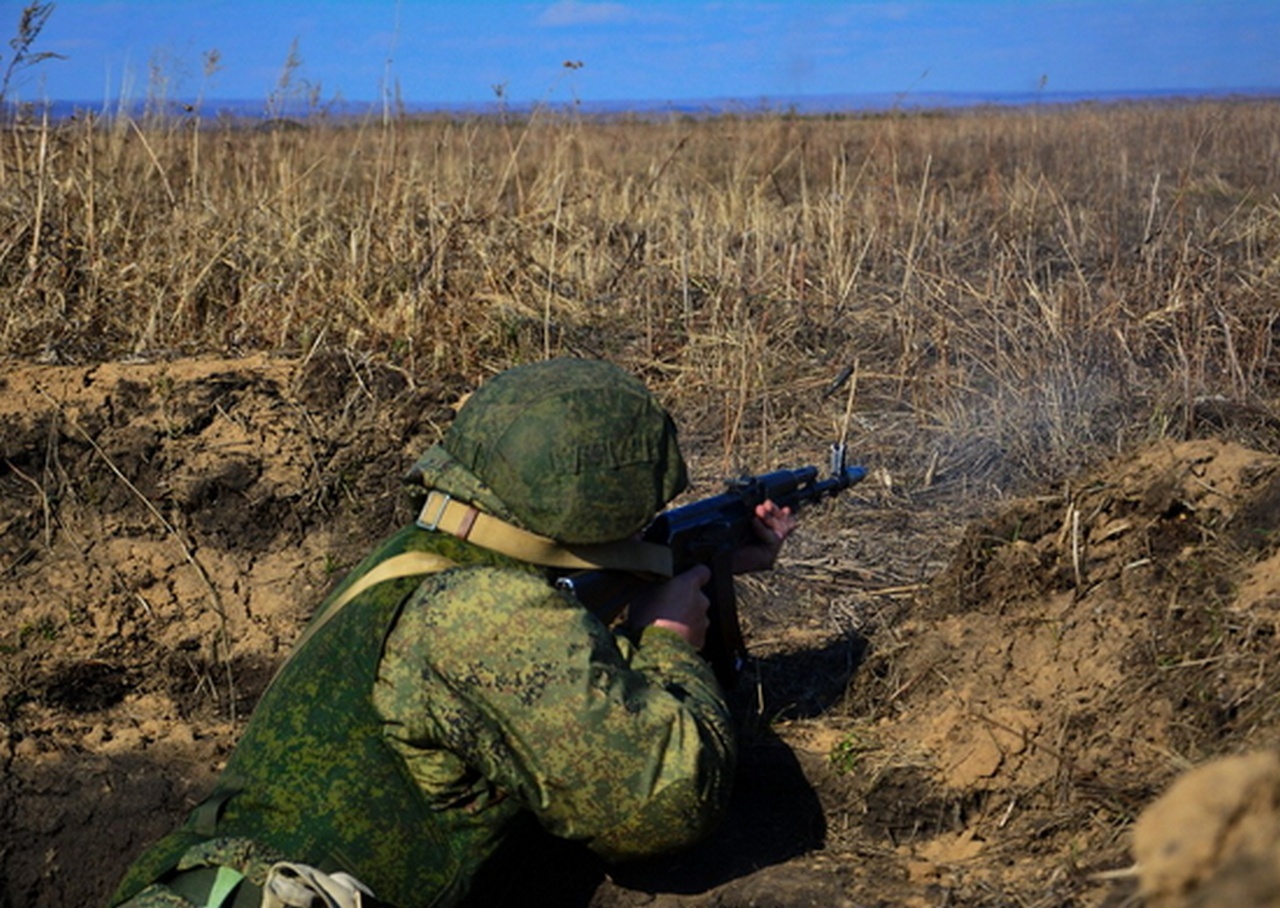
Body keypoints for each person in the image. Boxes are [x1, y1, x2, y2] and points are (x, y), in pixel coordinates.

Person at [109, 358, 796, 908]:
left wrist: (704, 558)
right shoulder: (488, 614)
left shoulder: (419, 555)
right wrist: (670, 639)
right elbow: (664, 805)